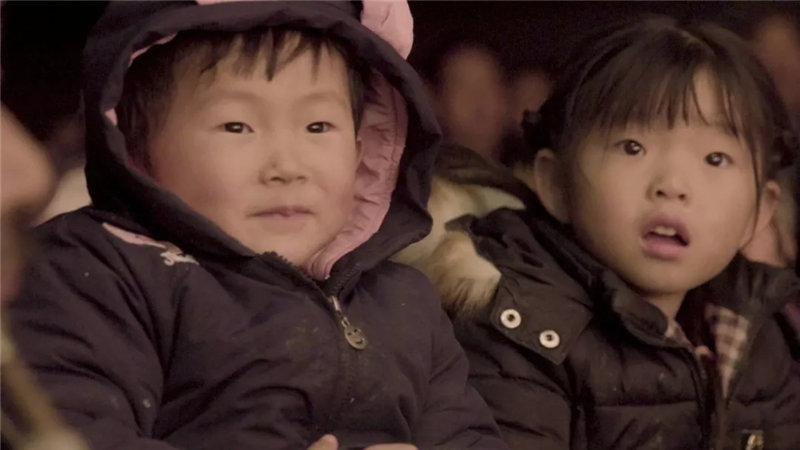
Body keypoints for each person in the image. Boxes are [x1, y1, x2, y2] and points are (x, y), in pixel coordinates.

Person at [4, 2, 507, 449]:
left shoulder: (405, 300)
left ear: (363, 153)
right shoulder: (97, 273)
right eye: (237, 126)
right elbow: (70, 434)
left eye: (317, 126)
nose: (287, 166)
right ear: (135, 148)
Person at [406, 16, 800, 449]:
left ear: (760, 211)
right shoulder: (519, 325)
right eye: (633, 147)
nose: (673, 185)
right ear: (557, 184)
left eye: (715, 159)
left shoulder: (759, 333)